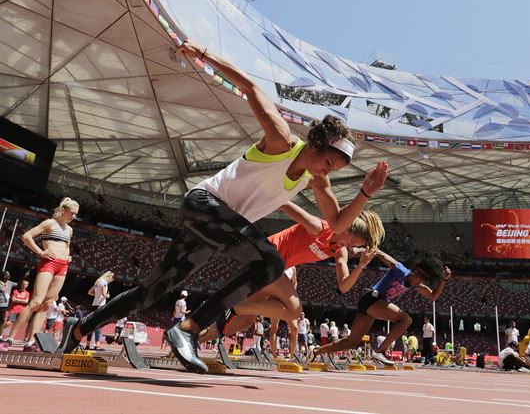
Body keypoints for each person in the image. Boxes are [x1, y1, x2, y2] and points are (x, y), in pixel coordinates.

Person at [58, 38, 388, 374]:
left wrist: (365, 194)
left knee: (151, 292)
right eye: (329, 163)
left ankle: (81, 328)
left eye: (333, 170)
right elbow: (250, 86)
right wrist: (203, 54)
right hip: (204, 205)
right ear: (318, 145)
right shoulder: (280, 140)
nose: (327, 172)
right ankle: (188, 328)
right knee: (271, 262)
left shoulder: (317, 181)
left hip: (216, 226)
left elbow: (338, 221)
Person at [197, 201, 384, 351]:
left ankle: (193, 336)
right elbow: (284, 203)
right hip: (264, 257)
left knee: (245, 321)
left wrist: (360, 266)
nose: (351, 247)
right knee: (294, 310)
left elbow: (343, 286)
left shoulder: (339, 250)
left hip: (271, 271)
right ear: (347, 227)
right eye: (352, 241)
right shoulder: (319, 227)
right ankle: (234, 306)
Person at [311, 250, 451, 366]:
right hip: (372, 298)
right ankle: (380, 351)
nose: (419, 283)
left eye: (422, 282)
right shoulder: (401, 270)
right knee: (405, 320)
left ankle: (316, 351)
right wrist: (358, 252)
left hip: (372, 305)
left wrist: (443, 280)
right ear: (416, 272)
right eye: (419, 280)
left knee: (351, 342)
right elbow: (379, 252)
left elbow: (433, 296)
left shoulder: (415, 284)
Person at [0, 198, 78, 351]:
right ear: (63, 211)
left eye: (76, 214)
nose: (74, 216)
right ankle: (8, 338)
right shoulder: (49, 223)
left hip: (63, 267)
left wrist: (68, 257)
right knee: (36, 301)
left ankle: (30, 342)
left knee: (47, 304)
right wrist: (41, 252)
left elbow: (67, 246)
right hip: (49, 263)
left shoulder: (69, 230)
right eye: (72, 213)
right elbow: (26, 236)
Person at [86, 271, 114, 350]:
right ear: (109, 277)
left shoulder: (97, 282)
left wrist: (97, 295)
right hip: (101, 305)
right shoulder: (104, 282)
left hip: (94, 304)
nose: (110, 281)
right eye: (111, 280)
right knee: (98, 325)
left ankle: (88, 344)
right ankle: (97, 344)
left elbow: (89, 292)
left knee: (91, 325)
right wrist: (107, 295)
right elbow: (104, 294)